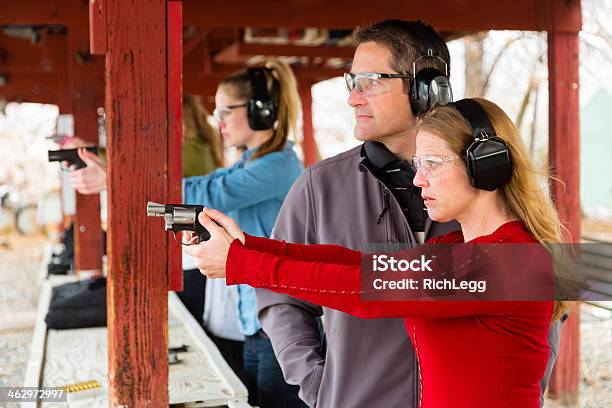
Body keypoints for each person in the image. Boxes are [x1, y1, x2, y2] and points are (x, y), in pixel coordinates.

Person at [186, 98, 572, 408]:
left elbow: (362, 288)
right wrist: (249, 247)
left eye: (433, 164)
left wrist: (241, 264)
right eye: (418, 164)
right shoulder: (456, 248)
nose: (419, 179)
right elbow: (357, 264)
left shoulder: (506, 261)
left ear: (485, 166)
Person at [182, 59, 305, 408]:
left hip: (279, 323)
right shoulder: (251, 161)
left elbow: (212, 192)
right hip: (256, 321)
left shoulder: (279, 164)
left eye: (225, 111)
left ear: (259, 110)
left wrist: (125, 181)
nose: (217, 122)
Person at [65, 95, 224, 325]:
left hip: (191, 258)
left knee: (192, 321)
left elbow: (148, 172)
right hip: (188, 254)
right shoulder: (197, 148)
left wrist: (99, 160)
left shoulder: (192, 151)